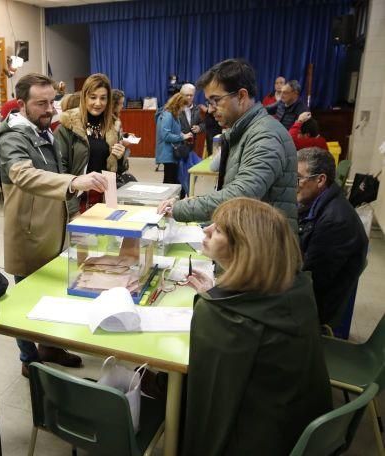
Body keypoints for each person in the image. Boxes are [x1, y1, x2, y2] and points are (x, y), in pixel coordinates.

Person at [184, 197, 332, 455]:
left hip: (252, 439)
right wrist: (219, 291)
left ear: (243, 249)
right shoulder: (297, 287)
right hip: (298, 429)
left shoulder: (225, 318)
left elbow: (206, 395)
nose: (206, 230)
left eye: (217, 230)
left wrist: (215, 302)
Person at [0, 72, 107, 377]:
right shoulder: (12, 137)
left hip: (53, 228)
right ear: (21, 104)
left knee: (50, 295)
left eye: (51, 102)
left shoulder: (44, 131)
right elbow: (24, 175)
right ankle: (27, 358)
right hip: (28, 232)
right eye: (41, 103)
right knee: (24, 302)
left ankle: (50, 347)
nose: (49, 108)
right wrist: (73, 181)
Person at [158, 58, 298, 231]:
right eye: (209, 102)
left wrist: (181, 208)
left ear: (241, 96)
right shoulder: (245, 130)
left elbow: (239, 195)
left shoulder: (265, 136)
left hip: (265, 249)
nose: (211, 109)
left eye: (216, 100)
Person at [297, 147, 368, 328]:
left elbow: (311, 282)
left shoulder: (336, 222)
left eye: (298, 179)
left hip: (312, 311)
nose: (291, 183)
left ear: (320, 180)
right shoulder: (315, 204)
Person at [55, 73, 126, 213]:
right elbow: (60, 171)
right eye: (93, 97)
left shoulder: (112, 126)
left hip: (105, 198)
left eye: (103, 98)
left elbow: (117, 170)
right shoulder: (67, 126)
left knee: (104, 235)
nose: (98, 103)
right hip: (76, 198)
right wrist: (72, 210)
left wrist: (120, 157)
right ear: (84, 97)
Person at [156, 92, 192, 184]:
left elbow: (174, 131)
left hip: (172, 153)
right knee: (169, 181)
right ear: (178, 104)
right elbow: (166, 135)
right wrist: (182, 136)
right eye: (183, 106)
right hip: (167, 153)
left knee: (173, 180)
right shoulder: (167, 115)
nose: (183, 109)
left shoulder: (174, 115)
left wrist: (184, 134)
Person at [178, 83, 205, 155]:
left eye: (191, 95)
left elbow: (203, 124)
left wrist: (199, 128)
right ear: (181, 95)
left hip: (191, 146)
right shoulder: (175, 109)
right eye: (187, 95)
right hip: (177, 146)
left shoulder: (197, 109)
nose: (189, 97)